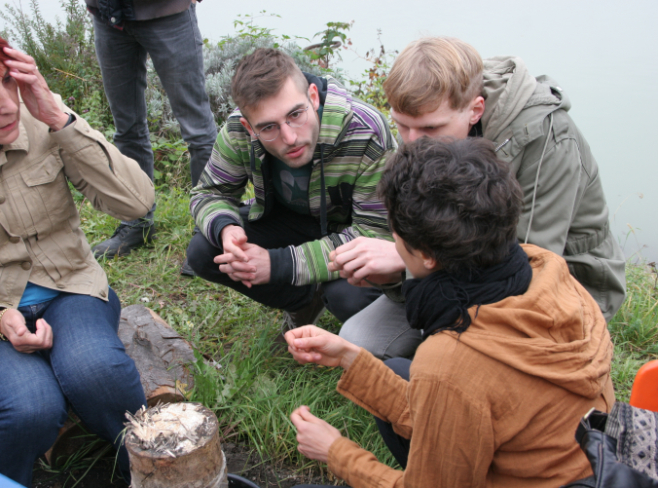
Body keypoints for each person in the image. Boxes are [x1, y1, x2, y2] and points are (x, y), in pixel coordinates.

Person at [286, 137, 615, 488]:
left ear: (427, 256)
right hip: (591, 464)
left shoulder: (451, 361)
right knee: (396, 370)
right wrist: (351, 359)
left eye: (393, 231)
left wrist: (335, 450)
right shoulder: (546, 268)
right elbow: (456, 407)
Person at [0, 5, 154, 486]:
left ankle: (145, 470)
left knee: (98, 373)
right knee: (30, 406)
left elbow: (136, 203)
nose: (8, 104)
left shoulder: (36, 118)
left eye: (8, 81)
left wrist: (57, 116)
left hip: (67, 287)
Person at [331, 36, 626, 359]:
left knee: (461, 364)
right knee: (361, 338)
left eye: (429, 128)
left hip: (563, 281)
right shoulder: (431, 130)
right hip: (452, 266)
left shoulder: (549, 140)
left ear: (475, 110)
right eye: (402, 126)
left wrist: (407, 261)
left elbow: (530, 268)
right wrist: (394, 267)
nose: (413, 143)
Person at [186, 48, 397, 327]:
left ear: (312, 96)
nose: (289, 137)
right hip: (289, 222)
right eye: (269, 127)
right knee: (205, 251)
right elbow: (210, 193)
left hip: (350, 233)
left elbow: (375, 234)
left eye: (296, 114)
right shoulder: (238, 130)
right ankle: (302, 302)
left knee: (348, 297)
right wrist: (227, 228)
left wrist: (278, 264)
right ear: (250, 128)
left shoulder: (365, 130)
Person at [86, 0, 217, 264]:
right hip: (108, 16)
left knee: (198, 131)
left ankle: (209, 231)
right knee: (127, 129)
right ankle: (137, 223)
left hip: (167, 12)